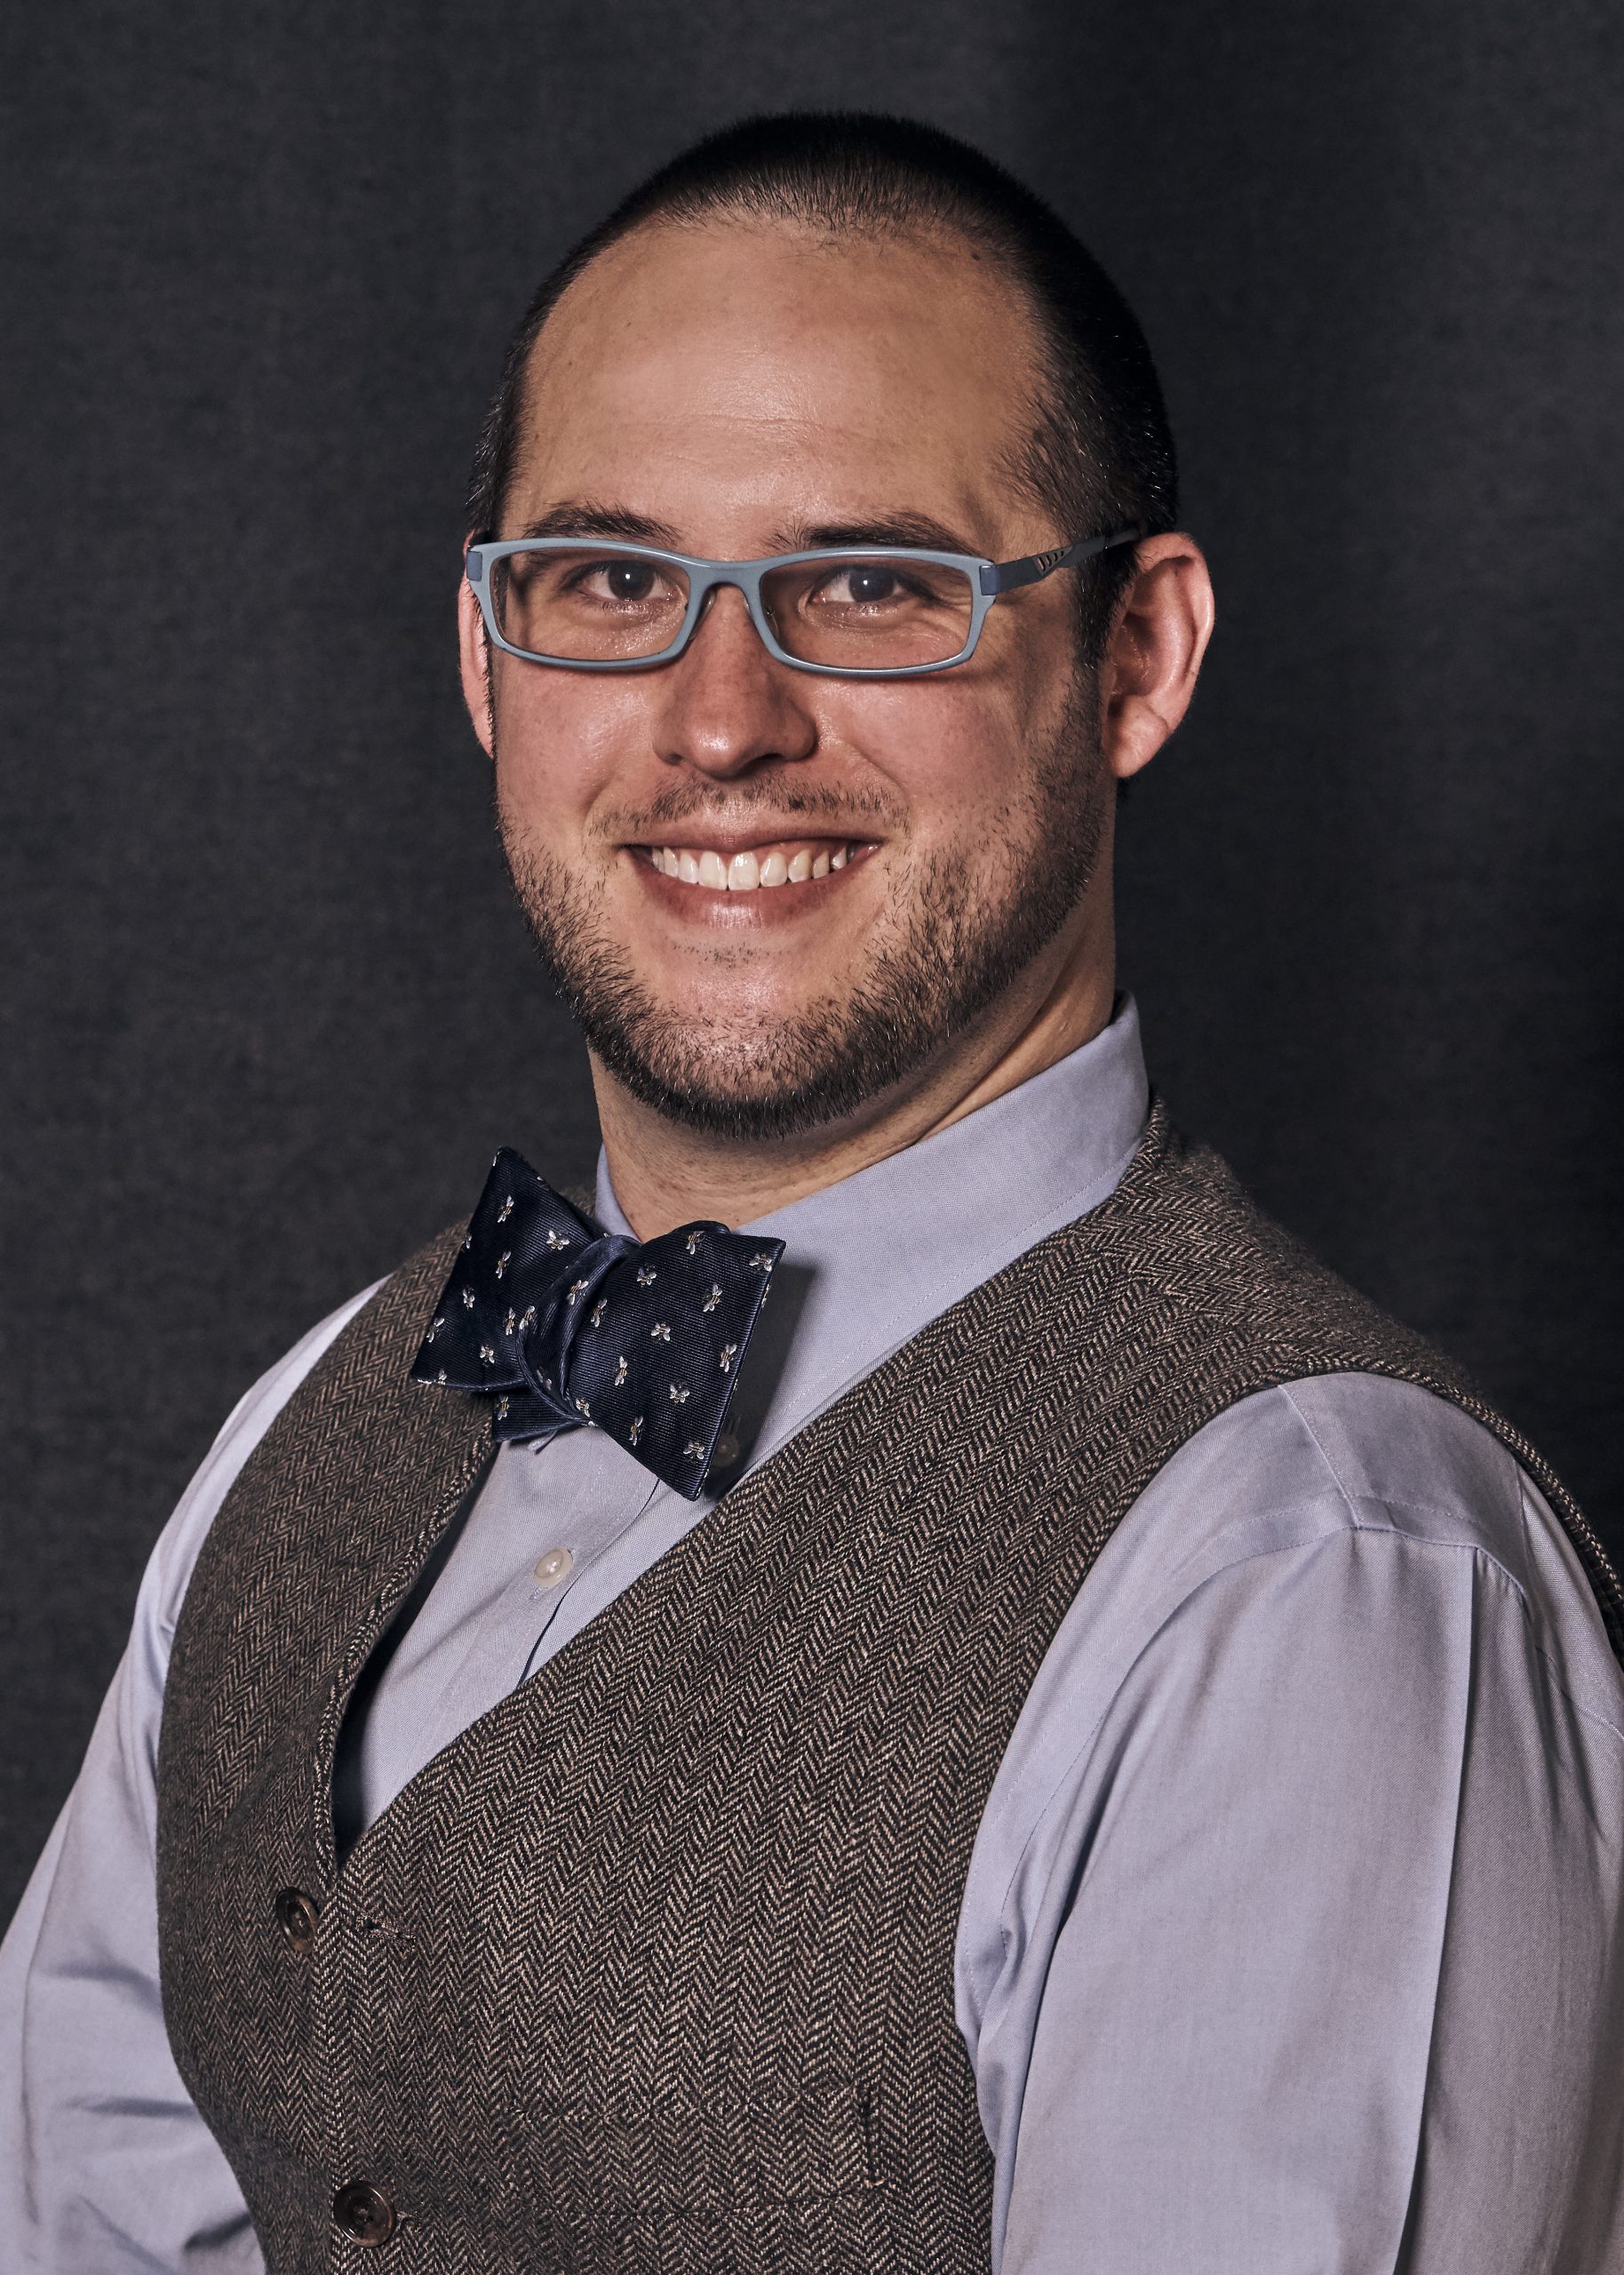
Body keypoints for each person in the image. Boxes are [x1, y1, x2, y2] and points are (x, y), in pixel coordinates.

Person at [3, 111, 1621, 2275]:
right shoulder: (311, 1422)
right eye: (607, 581)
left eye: (870, 582)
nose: (719, 718)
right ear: (488, 660)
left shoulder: (1318, 1576)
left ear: (1134, 654)